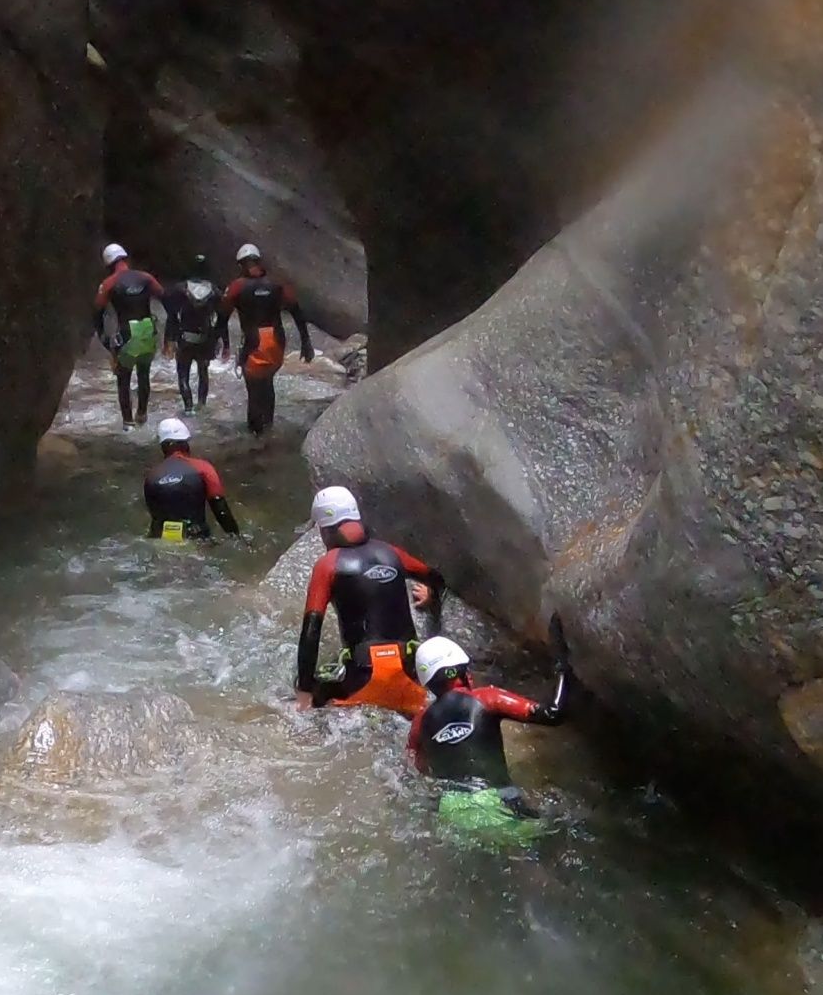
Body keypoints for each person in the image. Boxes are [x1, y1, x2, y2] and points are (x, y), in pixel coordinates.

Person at [409, 620, 574, 841]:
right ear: (454, 671)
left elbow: (417, 768)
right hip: (497, 801)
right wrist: (563, 666)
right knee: (556, 836)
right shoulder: (486, 698)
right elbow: (553, 713)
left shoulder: (419, 722)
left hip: (450, 810)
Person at [294, 485, 444, 717]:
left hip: (364, 680)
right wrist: (431, 595)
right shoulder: (391, 552)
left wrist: (304, 690)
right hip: (409, 676)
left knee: (312, 688)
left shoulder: (328, 565)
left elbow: (311, 631)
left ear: (325, 530)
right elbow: (435, 577)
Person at [216, 243, 311, 439]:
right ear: (259, 261)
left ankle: (256, 435)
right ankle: (269, 427)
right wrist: (305, 342)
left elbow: (222, 318)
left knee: (254, 389)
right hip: (276, 340)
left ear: (241, 265)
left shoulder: (237, 287)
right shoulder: (277, 285)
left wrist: (218, 343)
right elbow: (297, 311)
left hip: (254, 341)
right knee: (267, 383)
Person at [92, 243, 166, 427]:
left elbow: (97, 311)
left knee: (123, 378)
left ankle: (128, 423)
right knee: (144, 375)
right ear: (125, 258)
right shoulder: (146, 277)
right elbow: (164, 296)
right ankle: (142, 414)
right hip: (148, 328)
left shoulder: (109, 283)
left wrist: (104, 338)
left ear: (109, 264)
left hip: (126, 332)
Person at [143, 417, 241, 542]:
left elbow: (155, 515)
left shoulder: (152, 476)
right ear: (185, 444)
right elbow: (220, 508)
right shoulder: (203, 468)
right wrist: (237, 538)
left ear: (163, 446)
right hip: (196, 538)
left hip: (161, 539)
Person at [163, 254, 224, 412]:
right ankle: (202, 405)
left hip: (185, 337)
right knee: (203, 372)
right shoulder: (214, 291)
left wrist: (168, 339)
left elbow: (172, 316)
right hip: (205, 338)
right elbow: (222, 318)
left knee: (183, 374)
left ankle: (188, 408)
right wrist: (222, 340)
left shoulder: (181, 289)